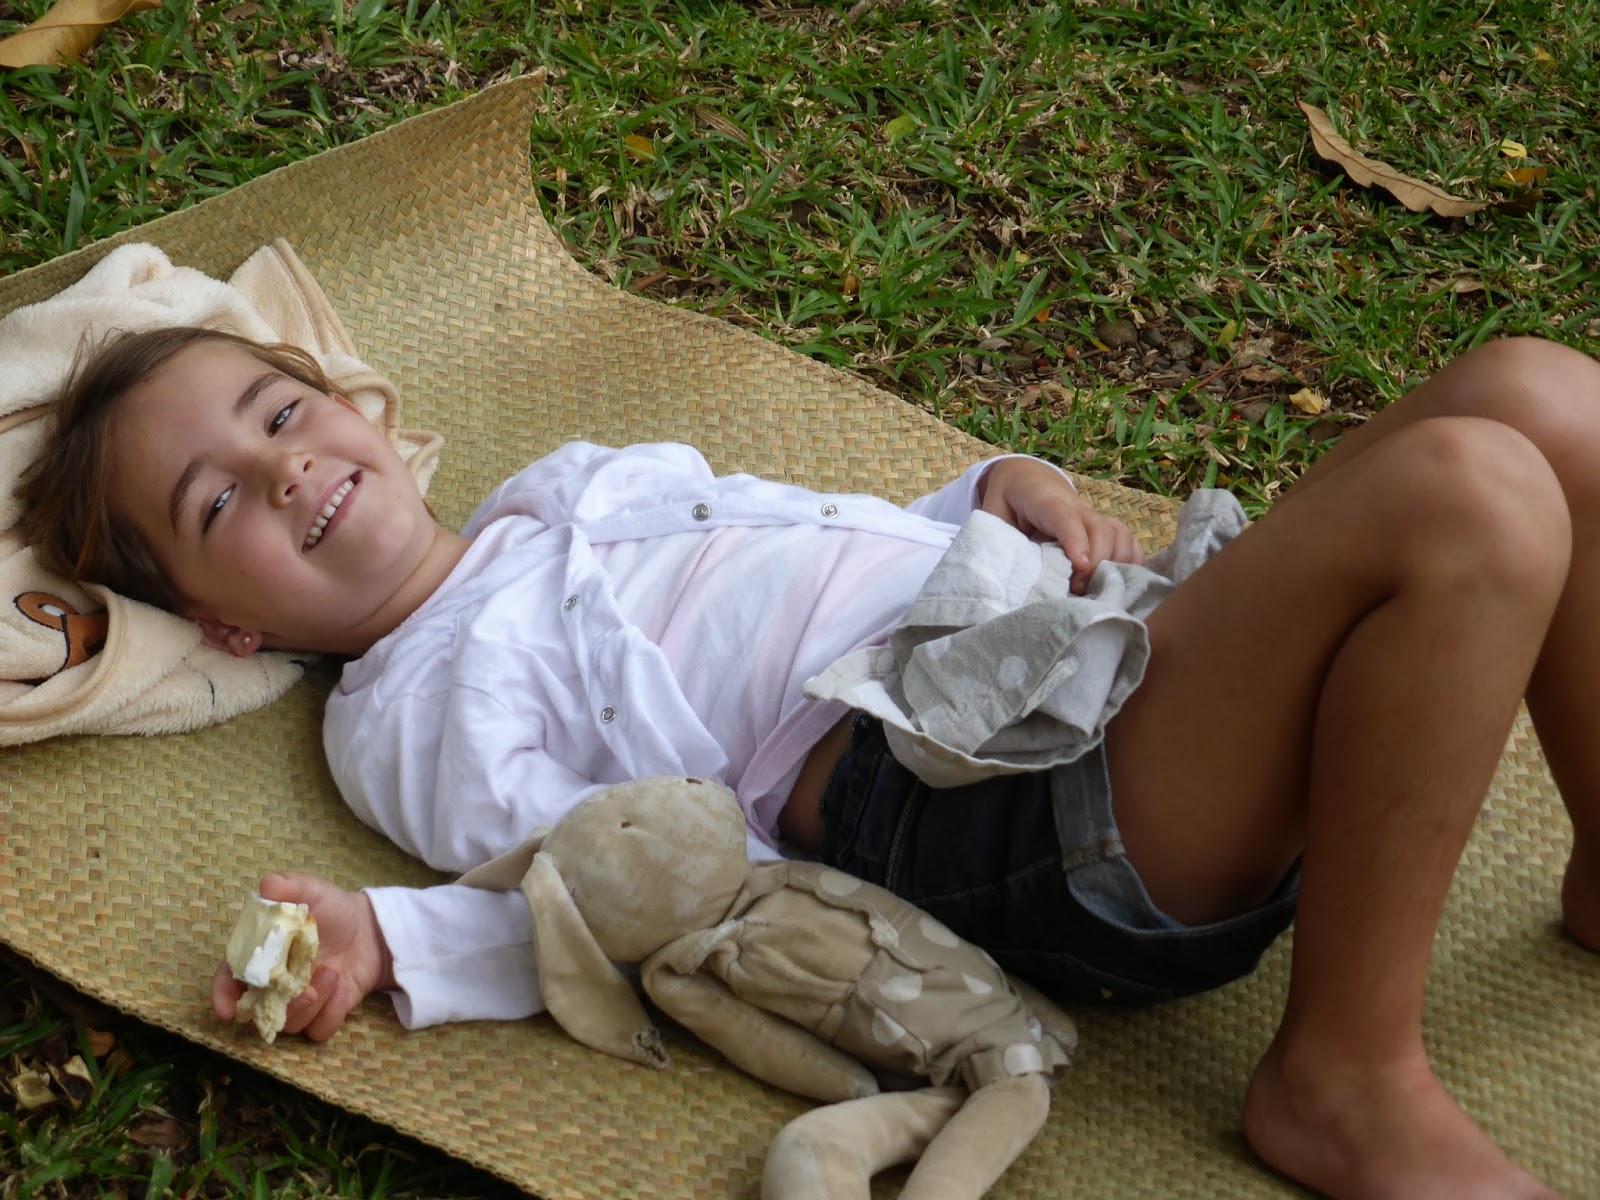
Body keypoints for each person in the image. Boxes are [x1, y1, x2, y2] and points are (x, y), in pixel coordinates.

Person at [19, 323, 1600, 1200]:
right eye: (216, 503)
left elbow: (814, 545)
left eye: (280, 412)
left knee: (1541, 395)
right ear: (224, 627)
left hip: (1047, 643)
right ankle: (1342, 1076)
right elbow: (592, 896)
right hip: (981, 808)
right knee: (1474, 494)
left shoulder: (561, 486)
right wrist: (391, 941)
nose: (285, 468)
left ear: (354, 407)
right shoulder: (406, 711)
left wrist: (988, 490)